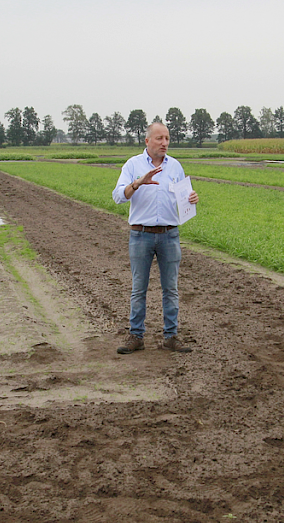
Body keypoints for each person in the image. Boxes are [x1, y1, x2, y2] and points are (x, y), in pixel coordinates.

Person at [112, 122, 199, 354]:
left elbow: (182, 197)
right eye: (159, 138)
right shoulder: (133, 165)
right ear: (147, 141)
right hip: (141, 235)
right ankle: (136, 336)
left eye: (167, 139)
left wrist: (191, 198)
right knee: (139, 288)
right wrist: (138, 183)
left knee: (170, 288)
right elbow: (118, 196)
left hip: (169, 235)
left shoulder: (175, 167)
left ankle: (171, 336)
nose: (164, 143)